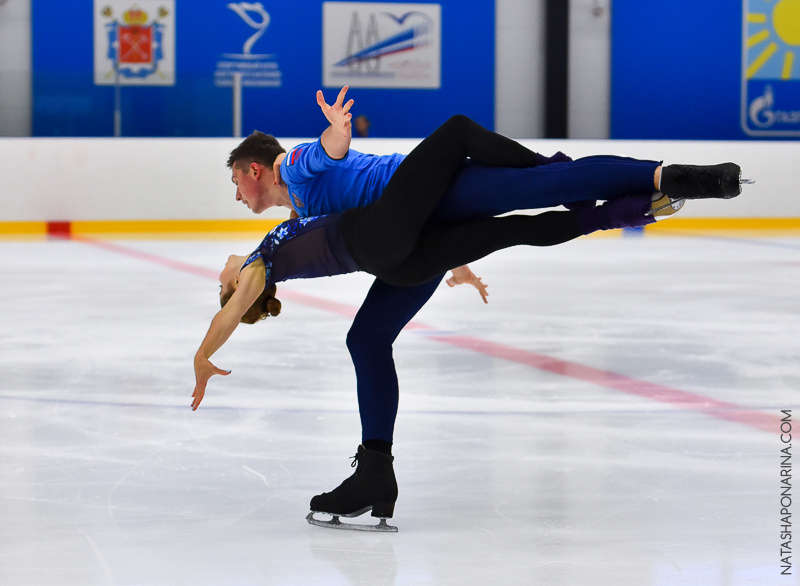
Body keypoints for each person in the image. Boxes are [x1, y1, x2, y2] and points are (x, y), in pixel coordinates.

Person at [195, 107, 743, 530]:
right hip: (416, 231)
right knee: (367, 340)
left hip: (433, 195)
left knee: (539, 184)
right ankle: (374, 469)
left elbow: (325, 154)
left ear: (253, 169)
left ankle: (666, 178)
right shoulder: (300, 216)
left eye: (236, 184)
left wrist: (336, 132)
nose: (237, 196)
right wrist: (454, 262)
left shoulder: (292, 168)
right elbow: (363, 229)